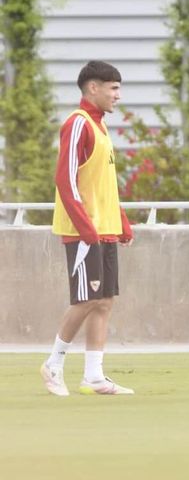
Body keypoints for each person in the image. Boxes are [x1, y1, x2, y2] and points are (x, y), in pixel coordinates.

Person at [41, 61, 135, 396]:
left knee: (104, 301)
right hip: (84, 232)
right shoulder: (78, 123)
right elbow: (64, 180)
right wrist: (86, 229)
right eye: (113, 88)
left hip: (104, 229)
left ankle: (93, 376)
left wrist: (121, 223)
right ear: (93, 88)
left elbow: (103, 182)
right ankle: (53, 364)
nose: (118, 95)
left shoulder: (101, 126)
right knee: (86, 299)